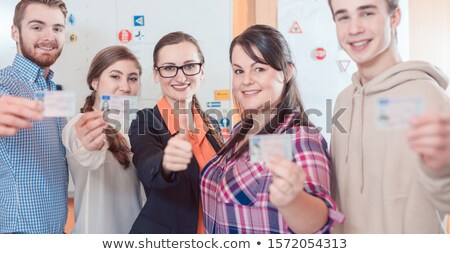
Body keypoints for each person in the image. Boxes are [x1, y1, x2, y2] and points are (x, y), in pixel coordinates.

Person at [200, 24, 341, 234]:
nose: (246, 80)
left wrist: (293, 200)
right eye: (239, 71)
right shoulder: (240, 130)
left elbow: (318, 223)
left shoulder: (300, 138)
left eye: (259, 68)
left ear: (286, 73)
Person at [328, 0, 450, 233]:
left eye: (366, 13)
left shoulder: (426, 96)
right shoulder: (343, 101)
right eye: (343, 17)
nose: (354, 29)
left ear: (394, 18)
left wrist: (443, 167)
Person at [128, 31, 223, 234]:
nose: (181, 77)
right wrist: (165, 162)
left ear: (201, 71)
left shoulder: (212, 125)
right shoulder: (145, 122)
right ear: (156, 74)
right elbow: (147, 166)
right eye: (169, 68)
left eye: (189, 66)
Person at [0, 0, 68, 234]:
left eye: (57, 28)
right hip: (18, 233)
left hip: (57, 230)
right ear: (15, 32)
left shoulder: (56, 89)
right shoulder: (3, 84)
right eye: (37, 27)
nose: (50, 37)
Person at [62, 45, 144, 234]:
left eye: (132, 78)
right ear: (95, 82)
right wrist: (88, 145)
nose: (125, 87)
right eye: (115, 76)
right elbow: (87, 154)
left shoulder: (139, 127)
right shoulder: (78, 125)